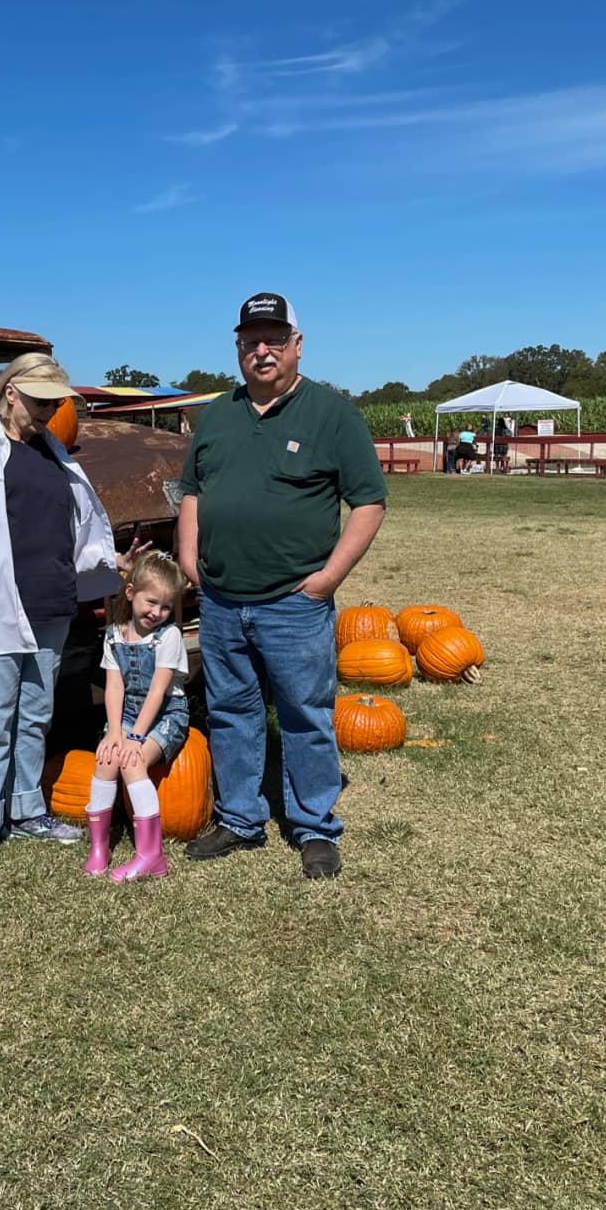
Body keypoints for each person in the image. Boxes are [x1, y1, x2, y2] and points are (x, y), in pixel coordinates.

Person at [176, 292, 387, 880]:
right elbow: (192, 489)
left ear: (296, 345)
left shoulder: (332, 414)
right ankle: (241, 818)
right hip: (221, 599)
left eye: (273, 339)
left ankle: (313, 826)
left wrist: (327, 580)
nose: (261, 351)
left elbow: (369, 502)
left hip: (295, 602)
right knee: (231, 710)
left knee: (304, 712)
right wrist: (189, 555)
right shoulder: (217, 414)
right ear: (238, 349)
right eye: (250, 341)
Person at [0, 353, 142, 873]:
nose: (49, 409)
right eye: (40, 400)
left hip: (50, 604)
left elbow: (71, 527)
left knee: (35, 717)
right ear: (10, 394)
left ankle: (26, 811)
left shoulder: (53, 450)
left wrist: (108, 560)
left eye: (55, 401)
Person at [83, 551, 191, 882]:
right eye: (151, 602)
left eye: (166, 607)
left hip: (165, 715)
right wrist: (115, 732)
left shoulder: (168, 636)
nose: (157, 613)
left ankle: (151, 855)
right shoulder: (114, 634)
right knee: (106, 758)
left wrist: (134, 738)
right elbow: (113, 688)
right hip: (128, 712)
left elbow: (158, 693)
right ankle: (99, 848)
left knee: (131, 762)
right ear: (131, 593)